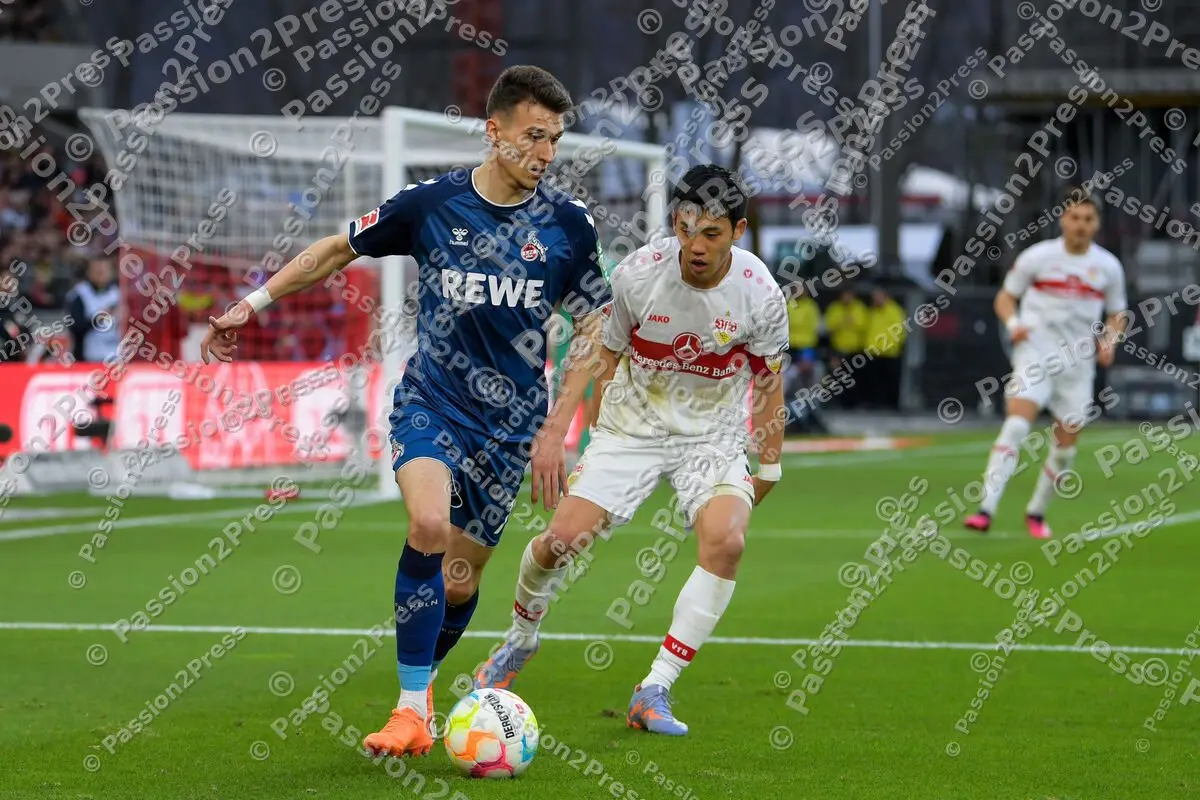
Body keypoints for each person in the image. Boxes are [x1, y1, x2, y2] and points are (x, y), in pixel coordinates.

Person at [200, 65, 613, 758]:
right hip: (433, 400)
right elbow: (337, 249)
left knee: (458, 584)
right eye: (535, 137)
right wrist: (250, 306)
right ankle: (409, 708)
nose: (546, 154)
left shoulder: (568, 227)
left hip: (511, 428)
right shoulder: (432, 204)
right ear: (495, 131)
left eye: (555, 141)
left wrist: (554, 428)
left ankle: (419, 700)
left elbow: (597, 327)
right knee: (427, 522)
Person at [474, 164, 790, 735]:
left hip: (710, 438)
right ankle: (520, 641)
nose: (695, 245)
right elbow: (601, 351)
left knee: (727, 542)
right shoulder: (639, 273)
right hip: (631, 429)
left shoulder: (761, 293)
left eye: (711, 233)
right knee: (558, 544)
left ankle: (655, 688)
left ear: (737, 231)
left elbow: (768, 384)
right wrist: (567, 430)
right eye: (685, 227)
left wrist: (769, 463)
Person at [964, 188, 1126, 539]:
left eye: (1088, 219)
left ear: (1096, 224)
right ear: (1062, 219)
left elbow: (1117, 313)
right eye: (1075, 218)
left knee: (1065, 448)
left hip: (1078, 363)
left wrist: (1109, 341)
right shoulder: (1038, 257)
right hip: (1036, 352)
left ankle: (1036, 512)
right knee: (1017, 425)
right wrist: (1013, 325)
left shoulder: (1108, 267)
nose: (1080, 225)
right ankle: (985, 509)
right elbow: (1006, 297)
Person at [66, 256, 120, 363]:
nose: (101, 274)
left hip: (116, 357)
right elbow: (76, 328)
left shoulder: (118, 293)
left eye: (105, 271)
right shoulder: (80, 294)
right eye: (97, 271)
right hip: (88, 358)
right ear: (89, 272)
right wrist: (99, 318)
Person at [863, 287, 906, 410]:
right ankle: (876, 403)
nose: (875, 300)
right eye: (874, 297)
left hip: (889, 352)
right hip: (873, 351)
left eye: (878, 297)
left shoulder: (894, 311)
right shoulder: (872, 312)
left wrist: (890, 345)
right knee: (874, 381)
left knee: (891, 380)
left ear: (886, 296)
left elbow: (899, 331)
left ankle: (892, 405)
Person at [824, 288, 867, 407]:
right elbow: (829, 326)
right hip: (838, 349)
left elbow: (864, 326)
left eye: (849, 295)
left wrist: (852, 322)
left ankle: (853, 403)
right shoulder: (835, 308)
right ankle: (836, 403)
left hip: (855, 349)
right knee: (838, 377)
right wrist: (841, 322)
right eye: (845, 295)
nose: (847, 298)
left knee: (855, 378)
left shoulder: (860, 308)